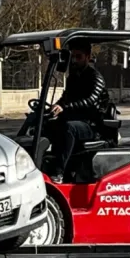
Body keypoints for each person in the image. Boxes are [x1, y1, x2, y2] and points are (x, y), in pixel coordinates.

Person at [45, 40, 110, 183]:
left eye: (78, 56)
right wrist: (57, 105)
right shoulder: (74, 76)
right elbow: (66, 96)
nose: (74, 60)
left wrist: (65, 107)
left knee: (69, 128)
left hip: (92, 125)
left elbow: (90, 101)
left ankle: (59, 173)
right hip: (76, 119)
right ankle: (47, 164)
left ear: (88, 56)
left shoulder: (95, 77)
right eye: (72, 57)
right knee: (47, 124)